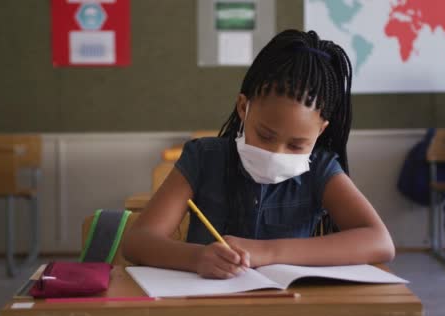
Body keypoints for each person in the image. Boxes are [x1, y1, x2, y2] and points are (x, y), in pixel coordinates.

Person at [124, 30, 395, 279]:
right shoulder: (204, 158)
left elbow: (380, 242)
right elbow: (138, 242)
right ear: (244, 108)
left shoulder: (321, 169)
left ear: (321, 131)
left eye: (296, 145)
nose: (275, 153)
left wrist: (267, 252)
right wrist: (197, 258)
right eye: (265, 135)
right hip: (206, 304)